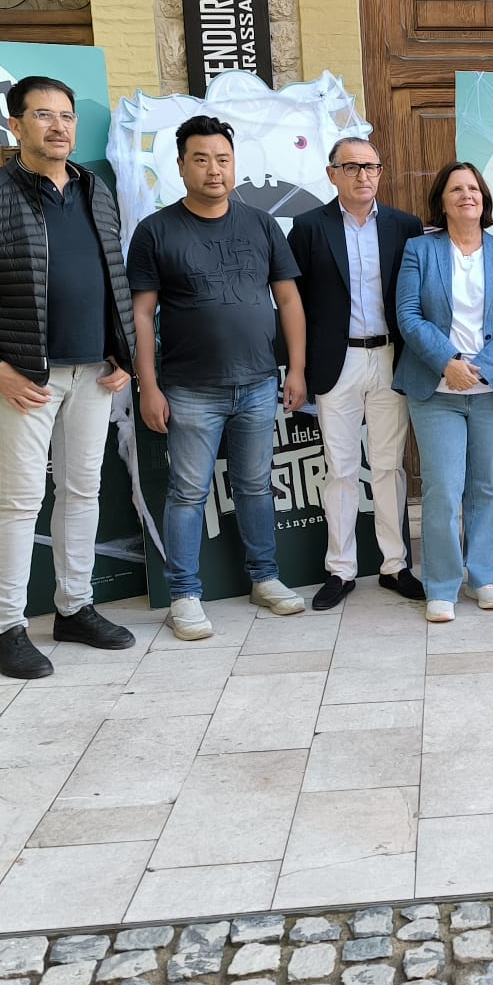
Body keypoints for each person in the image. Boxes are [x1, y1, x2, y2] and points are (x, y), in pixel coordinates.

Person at [0, 75, 138, 680]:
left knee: (83, 492)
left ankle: (74, 608)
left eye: (67, 116)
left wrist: (123, 351)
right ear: (15, 126)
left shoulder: (97, 191)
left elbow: (113, 274)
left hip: (95, 373)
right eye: (43, 115)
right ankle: (7, 629)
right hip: (25, 377)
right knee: (21, 501)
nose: (59, 127)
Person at [130, 115, 309, 640]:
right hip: (188, 389)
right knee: (187, 493)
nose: (214, 170)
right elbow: (142, 314)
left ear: (235, 165)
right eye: (201, 159)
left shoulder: (260, 224)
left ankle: (265, 578)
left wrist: (295, 368)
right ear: (181, 165)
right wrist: (149, 385)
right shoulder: (155, 231)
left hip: (258, 382)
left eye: (223, 159)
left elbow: (289, 298)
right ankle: (184, 594)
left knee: (255, 486)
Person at [287, 134, 427, 611]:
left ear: (381, 173)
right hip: (335, 362)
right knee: (342, 468)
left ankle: (394, 565)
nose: (363, 175)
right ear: (331, 174)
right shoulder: (307, 228)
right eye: (351, 167)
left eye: (371, 166)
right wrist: (296, 368)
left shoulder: (405, 227)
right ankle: (341, 570)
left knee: (389, 466)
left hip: (391, 357)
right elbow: (293, 306)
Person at [395, 162, 493, 623]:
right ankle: (440, 583)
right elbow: (408, 314)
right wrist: (448, 363)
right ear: (441, 200)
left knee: (487, 486)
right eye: (456, 189)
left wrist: (477, 369)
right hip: (435, 389)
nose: (466, 195)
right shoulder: (419, 249)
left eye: (473, 188)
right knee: (442, 488)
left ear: (485, 200)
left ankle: (482, 575)